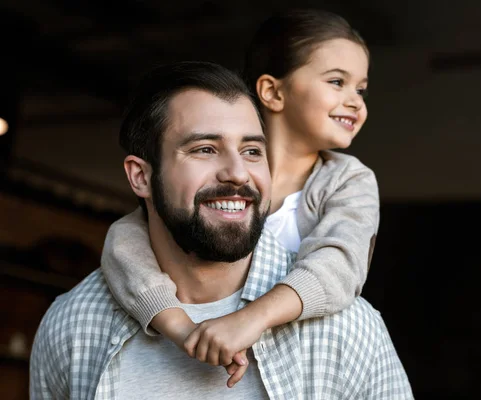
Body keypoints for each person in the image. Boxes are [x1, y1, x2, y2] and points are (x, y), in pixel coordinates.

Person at [29, 61, 413, 399]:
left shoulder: (347, 330)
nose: (237, 173)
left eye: (251, 151)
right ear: (141, 177)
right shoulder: (72, 324)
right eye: (204, 149)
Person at [100, 9, 382, 385]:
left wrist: (252, 318)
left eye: (360, 89)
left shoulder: (349, 181)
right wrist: (180, 327)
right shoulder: (219, 182)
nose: (355, 101)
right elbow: (124, 242)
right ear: (272, 92)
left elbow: (341, 264)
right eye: (337, 82)